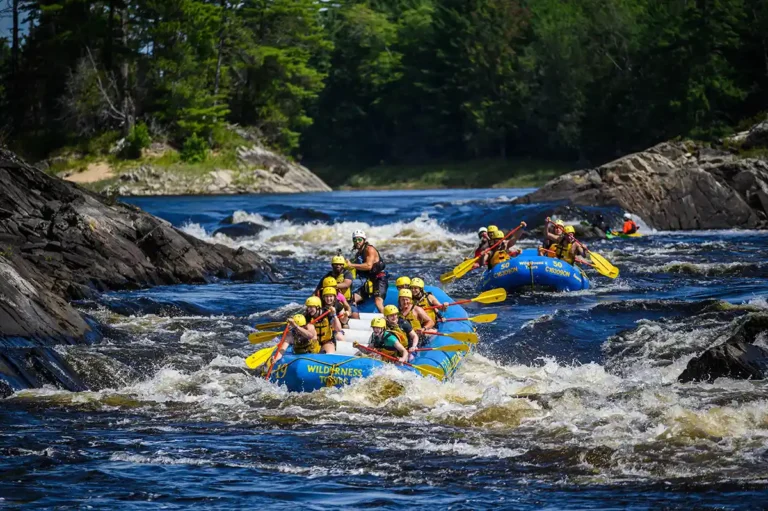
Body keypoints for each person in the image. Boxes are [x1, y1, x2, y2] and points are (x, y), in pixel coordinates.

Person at [347, 230, 388, 313]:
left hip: (379, 279)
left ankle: (388, 321)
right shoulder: (358, 254)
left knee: (378, 302)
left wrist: (351, 265)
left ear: (364, 240)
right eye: (355, 240)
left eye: (359, 240)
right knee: (352, 298)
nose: (357, 242)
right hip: (368, 281)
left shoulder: (369, 249)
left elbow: (369, 266)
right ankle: (353, 314)